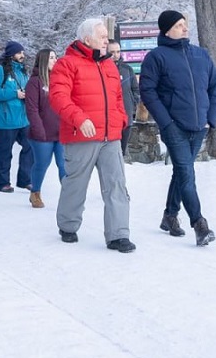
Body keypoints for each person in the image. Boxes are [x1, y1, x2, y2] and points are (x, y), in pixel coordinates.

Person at [48, 18, 135, 253]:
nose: (107, 41)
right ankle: (67, 225)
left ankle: (118, 235)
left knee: (117, 185)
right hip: (80, 136)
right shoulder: (66, 64)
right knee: (76, 184)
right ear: (87, 39)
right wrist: (80, 118)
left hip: (111, 137)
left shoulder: (109, 65)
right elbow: (58, 97)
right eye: (102, 37)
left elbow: (118, 98)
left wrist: (121, 120)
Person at [139, 10, 216, 246]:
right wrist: (166, 122)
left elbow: (215, 86)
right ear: (167, 30)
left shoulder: (200, 55)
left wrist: (210, 117)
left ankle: (170, 216)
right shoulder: (156, 57)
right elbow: (148, 92)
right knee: (187, 174)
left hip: (199, 126)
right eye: (179, 25)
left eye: (185, 24)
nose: (185, 29)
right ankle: (200, 224)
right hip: (175, 127)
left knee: (181, 172)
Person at [0, 41, 33, 194]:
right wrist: (14, 94)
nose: (22, 55)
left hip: (23, 118)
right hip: (6, 119)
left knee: (30, 146)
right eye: (19, 53)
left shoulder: (23, 72)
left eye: (23, 53)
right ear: (11, 54)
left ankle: (25, 179)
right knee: (4, 152)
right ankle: (3, 183)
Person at [24, 49, 66, 209]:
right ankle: (35, 192)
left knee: (64, 164)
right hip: (41, 134)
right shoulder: (35, 82)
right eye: (51, 58)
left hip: (61, 131)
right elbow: (32, 110)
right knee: (42, 164)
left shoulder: (59, 80)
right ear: (43, 61)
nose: (55, 60)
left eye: (56, 57)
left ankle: (69, 195)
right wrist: (39, 130)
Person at [108, 41, 139, 157]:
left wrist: (134, 103)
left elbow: (135, 89)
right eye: (112, 52)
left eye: (118, 51)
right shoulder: (101, 69)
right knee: (111, 153)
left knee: (122, 151)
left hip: (127, 115)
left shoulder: (127, 69)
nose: (115, 55)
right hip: (110, 117)